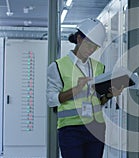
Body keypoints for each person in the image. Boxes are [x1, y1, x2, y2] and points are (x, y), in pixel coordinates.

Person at [46, 18, 121, 158]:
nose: (91, 49)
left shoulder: (99, 67)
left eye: (95, 47)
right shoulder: (58, 67)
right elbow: (51, 100)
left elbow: (99, 102)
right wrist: (76, 89)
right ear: (79, 39)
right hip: (70, 129)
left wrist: (110, 95)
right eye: (89, 44)